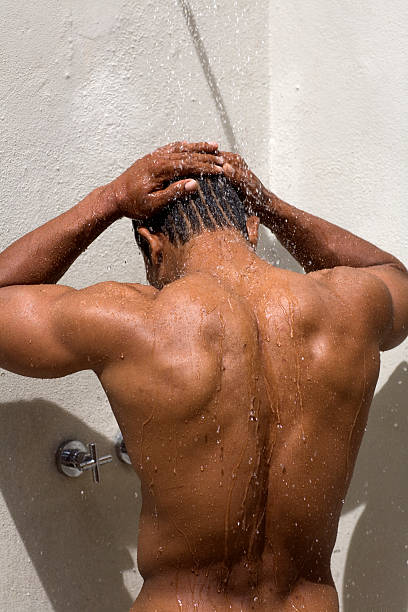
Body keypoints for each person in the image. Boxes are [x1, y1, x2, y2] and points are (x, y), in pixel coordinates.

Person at [0, 141, 407, 612]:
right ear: (251, 227)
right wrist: (270, 204)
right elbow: (390, 271)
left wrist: (109, 200)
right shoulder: (350, 307)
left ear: (153, 246)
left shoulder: (134, 320)